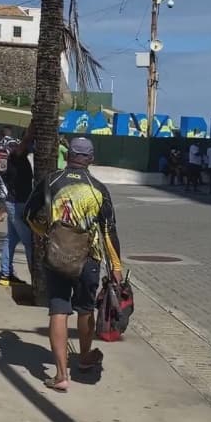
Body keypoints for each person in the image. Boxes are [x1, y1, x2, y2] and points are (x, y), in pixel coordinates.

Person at [27, 137, 122, 392]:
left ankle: (60, 375)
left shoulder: (51, 181)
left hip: (57, 255)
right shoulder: (98, 188)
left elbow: (29, 214)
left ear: (68, 155)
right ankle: (84, 357)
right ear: (90, 159)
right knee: (85, 309)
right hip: (88, 259)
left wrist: (45, 234)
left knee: (58, 309)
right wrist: (116, 266)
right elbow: (108, 231)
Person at [0, 123, 35, 287]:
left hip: (13, 202)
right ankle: (35, 278)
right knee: (28, 241)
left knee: (11, 239)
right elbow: (24, 143)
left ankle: (5, 274)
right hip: (18, 204)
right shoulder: (15, 157)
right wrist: (33, 126)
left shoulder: (17, 161)